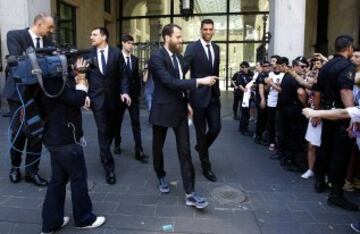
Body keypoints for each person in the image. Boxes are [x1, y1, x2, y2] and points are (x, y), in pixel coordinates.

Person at [149, 23, 217, 209]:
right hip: (162, 110)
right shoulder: (156, 58)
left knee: (185, 151)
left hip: (179, 111)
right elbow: (170, 82)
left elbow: (179, 83)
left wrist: (186, 102)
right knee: (158, 147)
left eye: (181, 37)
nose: (181, 40)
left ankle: (190, 193)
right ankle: (161, 175)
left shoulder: (179, 57)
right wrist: (199, 81)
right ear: (167, 38)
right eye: (178, 37)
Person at [39, 58, 105, 234]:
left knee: (58, 180)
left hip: (53, 138)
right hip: (65, 139)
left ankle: (51, 223)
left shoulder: (45, 79)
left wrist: (76, 79)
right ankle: (84, 219)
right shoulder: (54, 81)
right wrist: (82, 79)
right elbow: (76, 99)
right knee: (78, 178)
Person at [4, 13, 54, 186]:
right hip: (18, 95)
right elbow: (21, 64)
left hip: (39, 97)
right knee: (18, 133)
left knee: (36, 135)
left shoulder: (49, 42)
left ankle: (32, 172)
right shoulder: (15, 35)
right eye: (49, 27)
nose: (51, 31)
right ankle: (15, 167)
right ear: (39, 24)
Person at [311, 35, 358, 211]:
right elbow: (346, 91)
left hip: (326, 113)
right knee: (340, 155)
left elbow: (316, 92)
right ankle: (336, 194)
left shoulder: (326, 67)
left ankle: (319, 182)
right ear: (349, 48)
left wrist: (316, 112)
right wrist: (353, 116)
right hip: (340, 115)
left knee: (325, 149)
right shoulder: (347, 66)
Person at [85, 27, 131, 185]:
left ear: (104, 37)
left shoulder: (116, 53)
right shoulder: (88, 54)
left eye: (94, 34)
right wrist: (85, 94)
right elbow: (81, 76)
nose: (91, 37)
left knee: (110, 129)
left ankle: (104, 150)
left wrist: (124, 92)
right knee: (102, 130)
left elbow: (123, 74)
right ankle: (109, 167)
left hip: (114, 100)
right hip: (96, 99)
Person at [184, 19, 221, 182]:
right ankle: (206, 166)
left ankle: (201, 147)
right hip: (198, 96)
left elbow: (215, 71)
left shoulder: (216, 48)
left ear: (213, 31)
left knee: (216, 128)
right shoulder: (192, 47)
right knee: (200, 132)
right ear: (201, 30)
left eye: (210, 29)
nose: (207, 32)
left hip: (213, 97)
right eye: (205, 29)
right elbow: (184, 70)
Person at [113, 34, 149, 162]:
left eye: (132, 43)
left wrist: (138, 93)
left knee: (136, 123)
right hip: (120, 97)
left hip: (133, 97)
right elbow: (115, 78)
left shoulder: (134, 59)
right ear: (123, 43)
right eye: (128, 43)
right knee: (117, 122)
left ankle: (138, 150)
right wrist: (119, 93)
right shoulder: (116, 58)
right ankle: (117, 143)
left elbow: (135, 78)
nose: (130, 45)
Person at [277, 57, 308, 171]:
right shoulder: (295, 78)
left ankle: (286, 158)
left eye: (305, 66)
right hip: (294, 109)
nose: (304, 69)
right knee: (294, 136)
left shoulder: (287, 76)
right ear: (294, 66)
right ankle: (291, 161)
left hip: (286, 108)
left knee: (287, 134)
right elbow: (300, 93)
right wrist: (306, 106)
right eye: (302, 66)